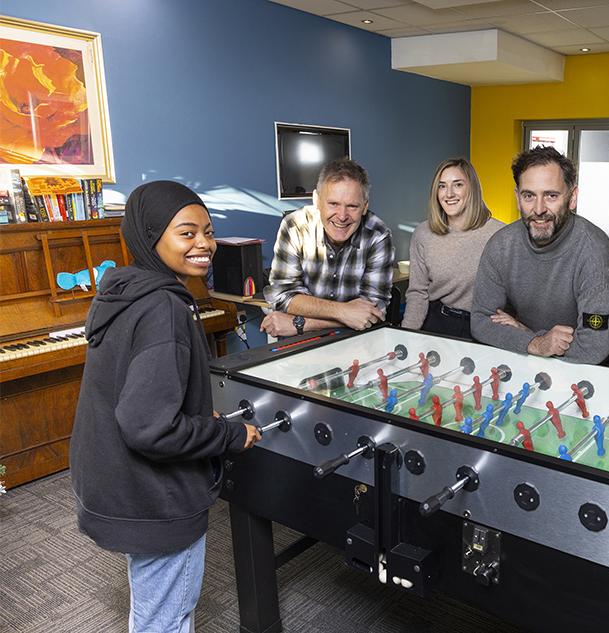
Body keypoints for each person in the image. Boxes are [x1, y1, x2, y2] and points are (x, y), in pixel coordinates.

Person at [69, 181, 261, 632]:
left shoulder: (127, 288)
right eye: (187, 233)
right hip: (153, 497)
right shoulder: (163, 309)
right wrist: (229, 435)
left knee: (151, 605)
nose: (204, 245)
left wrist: (196, 416)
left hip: (117, 481)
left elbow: (141, 394)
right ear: (151, 237)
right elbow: (149, 427)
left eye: (208, 233)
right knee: (166, 617)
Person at [470, 146, 609, 365]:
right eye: (529, 195)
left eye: (551, 195)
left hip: (596, 366)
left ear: (572, 197)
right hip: (531, 354)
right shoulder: (500, 245)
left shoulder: (595, 251)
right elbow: (480, 321)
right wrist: (536, 342)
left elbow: (592, 348)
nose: (539, 209)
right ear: (517, 197)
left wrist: (526, 333)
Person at [262, 159, 395, 337]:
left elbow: (371, 314)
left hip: (355, 341)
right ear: (316, 200)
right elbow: (283, 296)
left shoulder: (378, 235)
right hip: (301, 344)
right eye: (333, 204)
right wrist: (344, 312)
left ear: (365, 206)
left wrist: (301, 323)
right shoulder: (294, 226)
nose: (342, 216)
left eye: (352, 206)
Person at [402, 158, 503, 338]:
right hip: (437, 323)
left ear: (471, 188)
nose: (449, 194)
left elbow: (518, 294)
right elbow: (418, 293)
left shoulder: (500, 234)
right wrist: (406, 337)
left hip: (485, 328)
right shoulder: (423, 233)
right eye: (442, 186)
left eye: (457, 185)